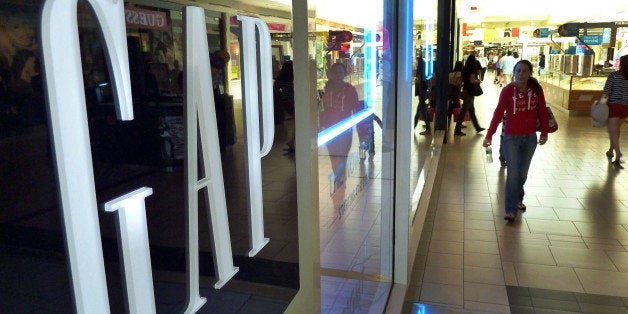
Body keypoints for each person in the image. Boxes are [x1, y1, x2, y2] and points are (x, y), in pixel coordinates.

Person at [483, 60, 550, 221]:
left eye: (525, 71)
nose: (521, 74)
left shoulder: (536, 90)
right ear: (514, 72)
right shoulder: (507, 91)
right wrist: (489, 135)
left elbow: (542, 110)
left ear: (530, 73)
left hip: (529, 138)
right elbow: (498, 113)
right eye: (518, 71)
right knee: (513, 174)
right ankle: (510, 209)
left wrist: (545, 133)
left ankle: (519, 198)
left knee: (523, 173)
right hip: (511, 138)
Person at [319, 62, 361, 213]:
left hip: (344, 131)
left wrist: (362, 131)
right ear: (330, 74)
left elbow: (356, 109)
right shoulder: (325, 90)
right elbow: (321, 110)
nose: (337, 75)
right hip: (330, 130)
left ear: (345, 74)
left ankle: (340, 185)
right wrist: (320, 126)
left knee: (341, 158)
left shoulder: (350, 90)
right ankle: (338, 181)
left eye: (340, 72)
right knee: (333, 158)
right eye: (334, 72)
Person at [602, 54, 628, 167]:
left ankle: (618, 153)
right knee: (616, 130)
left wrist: (601, 104)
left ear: (621, 64)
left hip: (614, 106)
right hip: (625, 107)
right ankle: (611, 150)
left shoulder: (613, 75)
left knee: (613, 131)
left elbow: (606, 91)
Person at [454, 53, 485, 136]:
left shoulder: (464, 69)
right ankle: (457, 130)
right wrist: (478, 80)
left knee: (472, 111)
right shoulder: (472, 69)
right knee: (463, 112)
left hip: (465, 91)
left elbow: (460, 81)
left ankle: (477, 127)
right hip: (470, 92)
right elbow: (472, 81)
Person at [273, 60, 295, 152]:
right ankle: (293, 142)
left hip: (285, 103)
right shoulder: (294, 79)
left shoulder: (279, 80)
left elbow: (275, 92)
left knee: (296, 123)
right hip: (293, 103)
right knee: (297, 124)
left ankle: (292, 142)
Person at [413, 53, 430, 135]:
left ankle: (427, 128)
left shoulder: (420, 68)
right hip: (424, 89)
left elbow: (418, 79)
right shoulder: (425, 66)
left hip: (421, 90)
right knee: (420, 109)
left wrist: (416, 80)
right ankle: (415, 125)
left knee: (422, 109)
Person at [447, 61, 463, 128]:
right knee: (457, 107)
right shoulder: (460, 73)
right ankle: (458, 123)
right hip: (456, 91)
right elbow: (458, 84)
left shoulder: (450, 73)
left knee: (450, 106)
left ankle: (448, 120)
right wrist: (460, 92)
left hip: (449, 91)